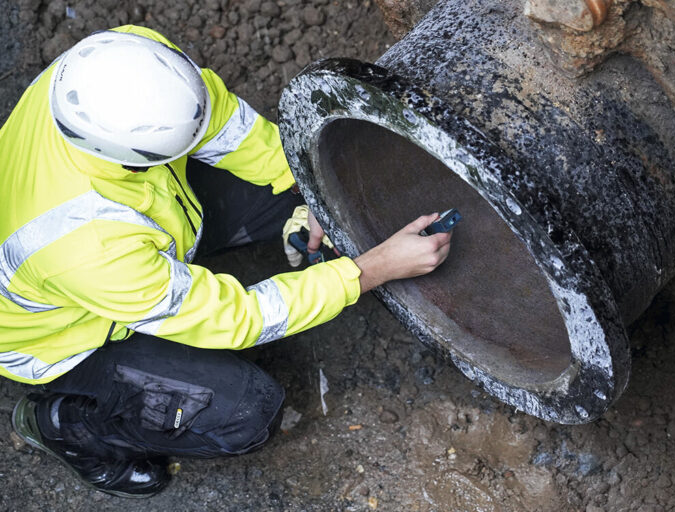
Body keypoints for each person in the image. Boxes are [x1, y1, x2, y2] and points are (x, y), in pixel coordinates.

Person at [0, 25, 452, 498]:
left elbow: (226, 128)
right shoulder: (83, 247)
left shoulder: (127, 61)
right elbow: (239, 319)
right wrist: (368, 271)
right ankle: (67, 426)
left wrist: (308, 190)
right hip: (65, 337)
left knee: (293, 181)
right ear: (134, 161)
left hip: (137, 225)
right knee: (243, 413)